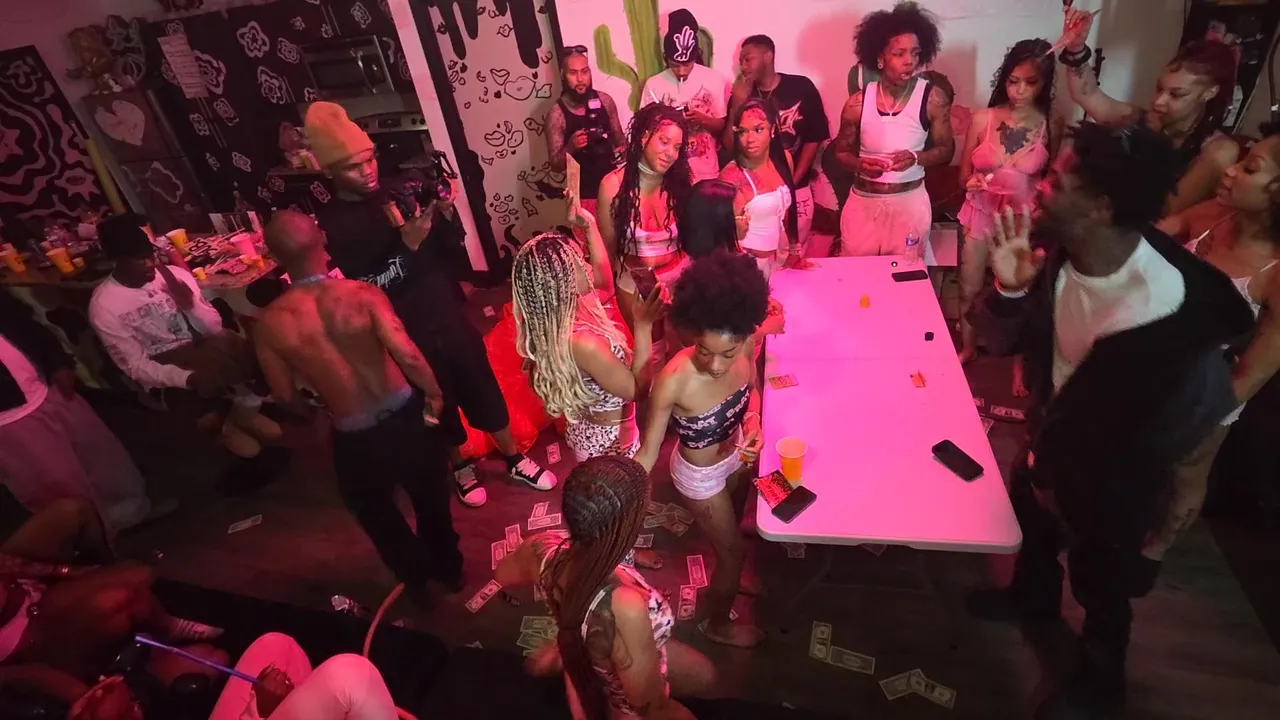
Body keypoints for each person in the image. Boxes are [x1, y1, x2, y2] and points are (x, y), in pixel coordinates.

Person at [965, 122, 1255, 719]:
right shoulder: (1059, 250)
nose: (1040, 188)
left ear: (1099, 206)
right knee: (1034, 530)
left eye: (1055, 180)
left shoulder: (1165, 313)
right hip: (1052, 434)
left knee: (1101, 582)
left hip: (1114, 477)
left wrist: (1117, 481)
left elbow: (1189, 422)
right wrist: (1010, 292)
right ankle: (1031, 600)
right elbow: (1001, 340)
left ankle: (1101, 684)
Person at [306, 102, 555, 508]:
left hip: (444, 307)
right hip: (401, 325)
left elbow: (448, 248)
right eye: (354, 167)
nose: (368, 171)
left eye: (370, 159)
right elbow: (368, 287)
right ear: (331, 171)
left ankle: (515, 458)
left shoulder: (395, 190)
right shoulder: (335, 224)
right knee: (435, 396)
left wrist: (446, 213)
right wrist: (407, 245)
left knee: (480, 381)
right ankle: (460, 466)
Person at [254, 210, 462, 600]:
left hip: (353, 432)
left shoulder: (270, 324)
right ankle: (449, 570)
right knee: (431, 497)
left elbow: (284, 396)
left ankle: (416, 579)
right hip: (403, 415)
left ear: (275, 258)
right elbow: (407, 354)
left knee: (375, 512)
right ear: (322, 240)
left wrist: (317, 413)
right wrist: (434, 395)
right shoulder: (362, 295)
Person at [496, 456, 715, 720]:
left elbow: (502, 575)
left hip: (597, 650)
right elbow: (649, 705)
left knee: (705, 676)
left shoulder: (542, 547)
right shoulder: (626, 605)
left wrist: (568, 630)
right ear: (630, 525)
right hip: (621, 700)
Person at [1152, 125, 1280, 560]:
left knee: (1187, 471)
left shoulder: (1275, 273)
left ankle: (1156, 550)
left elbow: (1250, 375)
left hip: (1215, 388)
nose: (1230, 170)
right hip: (1159, 361)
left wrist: (1195, 419)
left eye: (1250, 168)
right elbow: (1154, 236)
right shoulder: (1216, 213)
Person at [635, 252, 768, 648]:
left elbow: (752, 392)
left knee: (734, 537)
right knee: (733, 554)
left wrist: (753, 423)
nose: (715, 364)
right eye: (704, 350)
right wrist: (616, 503)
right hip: (700, 477)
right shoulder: (673, 380)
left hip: (738, 456)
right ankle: (716, 625)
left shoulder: (747, 344)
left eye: (728, 352)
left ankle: (730, 578)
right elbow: (648, 454)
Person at [87, 216, 282, 462]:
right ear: (116, 261)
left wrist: (190, 306)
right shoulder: (104, 306)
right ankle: (226, 429)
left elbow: (213, 329)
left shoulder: (173, 275)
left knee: (259, 366)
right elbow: (135, 366)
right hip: (166, 366)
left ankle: (242, 415)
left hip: (204, 346)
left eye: (150, 255)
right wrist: (186, 378)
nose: (150, 263)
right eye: (139, 259)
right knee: (238, 442)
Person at [0, 499, 221, 689]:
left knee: (73, 511)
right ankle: (158, 631)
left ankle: (106, 579)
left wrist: (53, 570)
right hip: (19, 639)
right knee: (119, 597)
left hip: (19, 587)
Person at [0, 291, 164, 535]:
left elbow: (24, 321)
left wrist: (58, 361)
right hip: (9, 421)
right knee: (58, 486)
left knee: (100, 456)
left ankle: (131, 514)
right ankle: (97, 544)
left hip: (46, 388)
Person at [1059, 8, 1238, 215]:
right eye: (1159, 89)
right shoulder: (1143, 120)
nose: (1158, 102)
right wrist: (1076, 47)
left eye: (1176, 95)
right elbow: (1087, 94)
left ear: (1209, 92)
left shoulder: (1217, 152)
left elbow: (1164, 213)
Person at [955, 39, 1061, 390]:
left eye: (1030, 82)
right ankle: (968, 347)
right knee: (969, 285)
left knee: (1023, 292)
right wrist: (970, 181)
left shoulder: (1051, 122)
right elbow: (962, 175)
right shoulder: (983, 118)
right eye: (1013, 81)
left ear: (1045, 83)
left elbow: (1053, 178)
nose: (1020, 91)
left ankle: (1019, 363)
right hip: (982, 212)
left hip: (1023, 219)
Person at [832, 1, 954, 257]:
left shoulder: (933, 99)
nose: (910, 61)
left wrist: (916, 158)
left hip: (909, 205)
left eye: (915, 53)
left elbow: (946, 149)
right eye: (900, 54)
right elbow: (840, 152)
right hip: (863, 205)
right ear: (880, 58)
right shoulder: (857, 103)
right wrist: (859, 165)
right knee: (858, 275)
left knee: (904, 275)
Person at [727, 35, 829, 255]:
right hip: (756, 196)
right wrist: (737, 103)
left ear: (768, 56)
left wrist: (792, 180)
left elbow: (815, 137)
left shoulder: (800, 87)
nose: (743, 66)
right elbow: (728, 144)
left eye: (748, 59)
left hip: (797, 188)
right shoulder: (742, 94)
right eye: (741, 61)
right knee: (757, 253)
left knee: (793, 254)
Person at [598, 102, 692, 332]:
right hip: (635, 287)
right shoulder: (613, 186)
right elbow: (609, 252)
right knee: (650, 350)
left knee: (682, 350)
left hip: (679, 285)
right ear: (644, 137)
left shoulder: (680, 184)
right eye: (664, 142)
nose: (671, 154)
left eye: (677, 147)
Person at [641, 9, 729, 184]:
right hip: (667, 173)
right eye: (675, 65)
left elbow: (722, 126)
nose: (681, 71)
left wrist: (702, 119)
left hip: (706, 173)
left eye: (687, 64)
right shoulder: (653, 84)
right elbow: (644, 129)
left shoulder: (715, 79)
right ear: (666, 58)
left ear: (695, 55)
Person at [720, 99, 802, 279]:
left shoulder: (783, 160)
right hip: (747, 268)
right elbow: (724, 237)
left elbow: (788, 210)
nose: (750, 139)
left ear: (772, 130)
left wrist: (794, 249)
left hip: (780, 260)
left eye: (758, 130)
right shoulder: (731, 176)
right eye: (743, 132)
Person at [547, 45, 628, 220]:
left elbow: (621, 140)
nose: (580, 79)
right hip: (583, 196)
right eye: (573, 73)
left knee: (622, 236)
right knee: (591, 238)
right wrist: (571, 147)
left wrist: (623, 150)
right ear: (563, 75)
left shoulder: (605, 101)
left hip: (614, 188)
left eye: (584, 72)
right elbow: (555, 165)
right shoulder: (557, 114)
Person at [679, 180, 743, 258]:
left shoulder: (728, 252)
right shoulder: (713, 264)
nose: (748, 218)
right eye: (742, 213)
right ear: (721, 221)